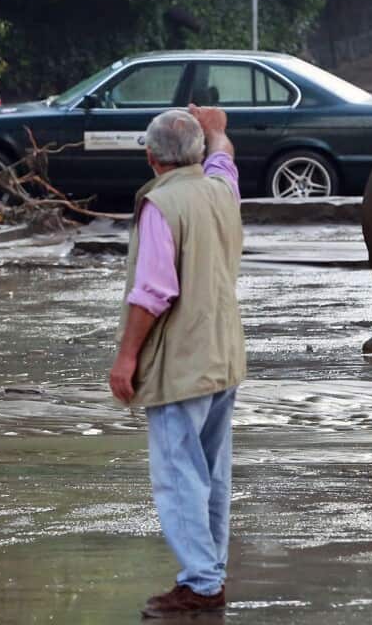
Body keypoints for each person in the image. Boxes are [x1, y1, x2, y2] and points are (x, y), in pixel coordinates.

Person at [109, 105, 245, 618]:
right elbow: (224, 159)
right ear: (198, 154)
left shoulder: (161, 205)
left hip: (181, 363)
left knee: (179, 474)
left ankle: (202, 584)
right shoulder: (220, 189)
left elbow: (152, 294)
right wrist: (216, 131)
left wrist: (126, 358)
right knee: (210, 472)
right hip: (223, 355)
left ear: (150, 157)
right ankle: (208, 573)